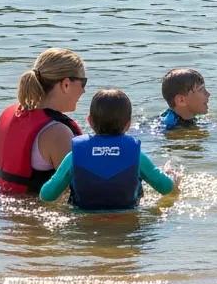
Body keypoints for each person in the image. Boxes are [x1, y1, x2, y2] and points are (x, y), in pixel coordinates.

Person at [40, 89, 179, 210]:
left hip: (84, 222)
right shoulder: (136, 156)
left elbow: (47, 195)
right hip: (128, 219)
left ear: (89, 121)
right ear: (128, 124)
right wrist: (172, 177)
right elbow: (166, 188)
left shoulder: (74, 156)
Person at [0, 48, 87, 195]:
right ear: (66, 84)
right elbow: (81, 192)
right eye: (83, 83)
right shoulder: (58, 133)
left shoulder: (11, 114)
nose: (83, 91)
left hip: (4, 211)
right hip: (35, 213)